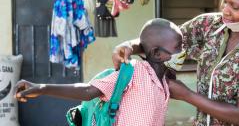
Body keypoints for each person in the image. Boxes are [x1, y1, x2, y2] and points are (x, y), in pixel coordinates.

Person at [14, 18, 183, 126]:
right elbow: (88, 91)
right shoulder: (133, 72)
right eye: (178, 48)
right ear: (156, 53)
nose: (182, 51)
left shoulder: (164, 83)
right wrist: (41, 88)